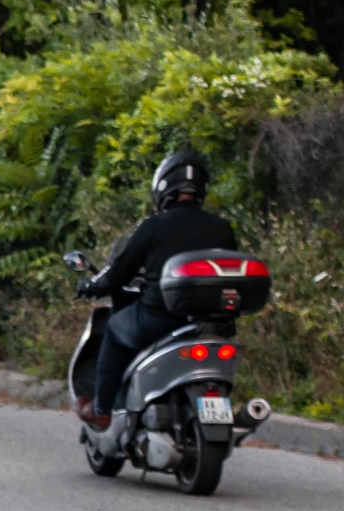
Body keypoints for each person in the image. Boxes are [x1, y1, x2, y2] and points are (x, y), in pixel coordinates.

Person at [78, 148, 239, 428]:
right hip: (212, 323)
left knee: (115, 328)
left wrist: (93, 285)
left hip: (160, 318)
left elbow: (119, 271)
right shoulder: (223, 228)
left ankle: (102, 409)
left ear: (163, 187)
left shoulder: (153, 226)